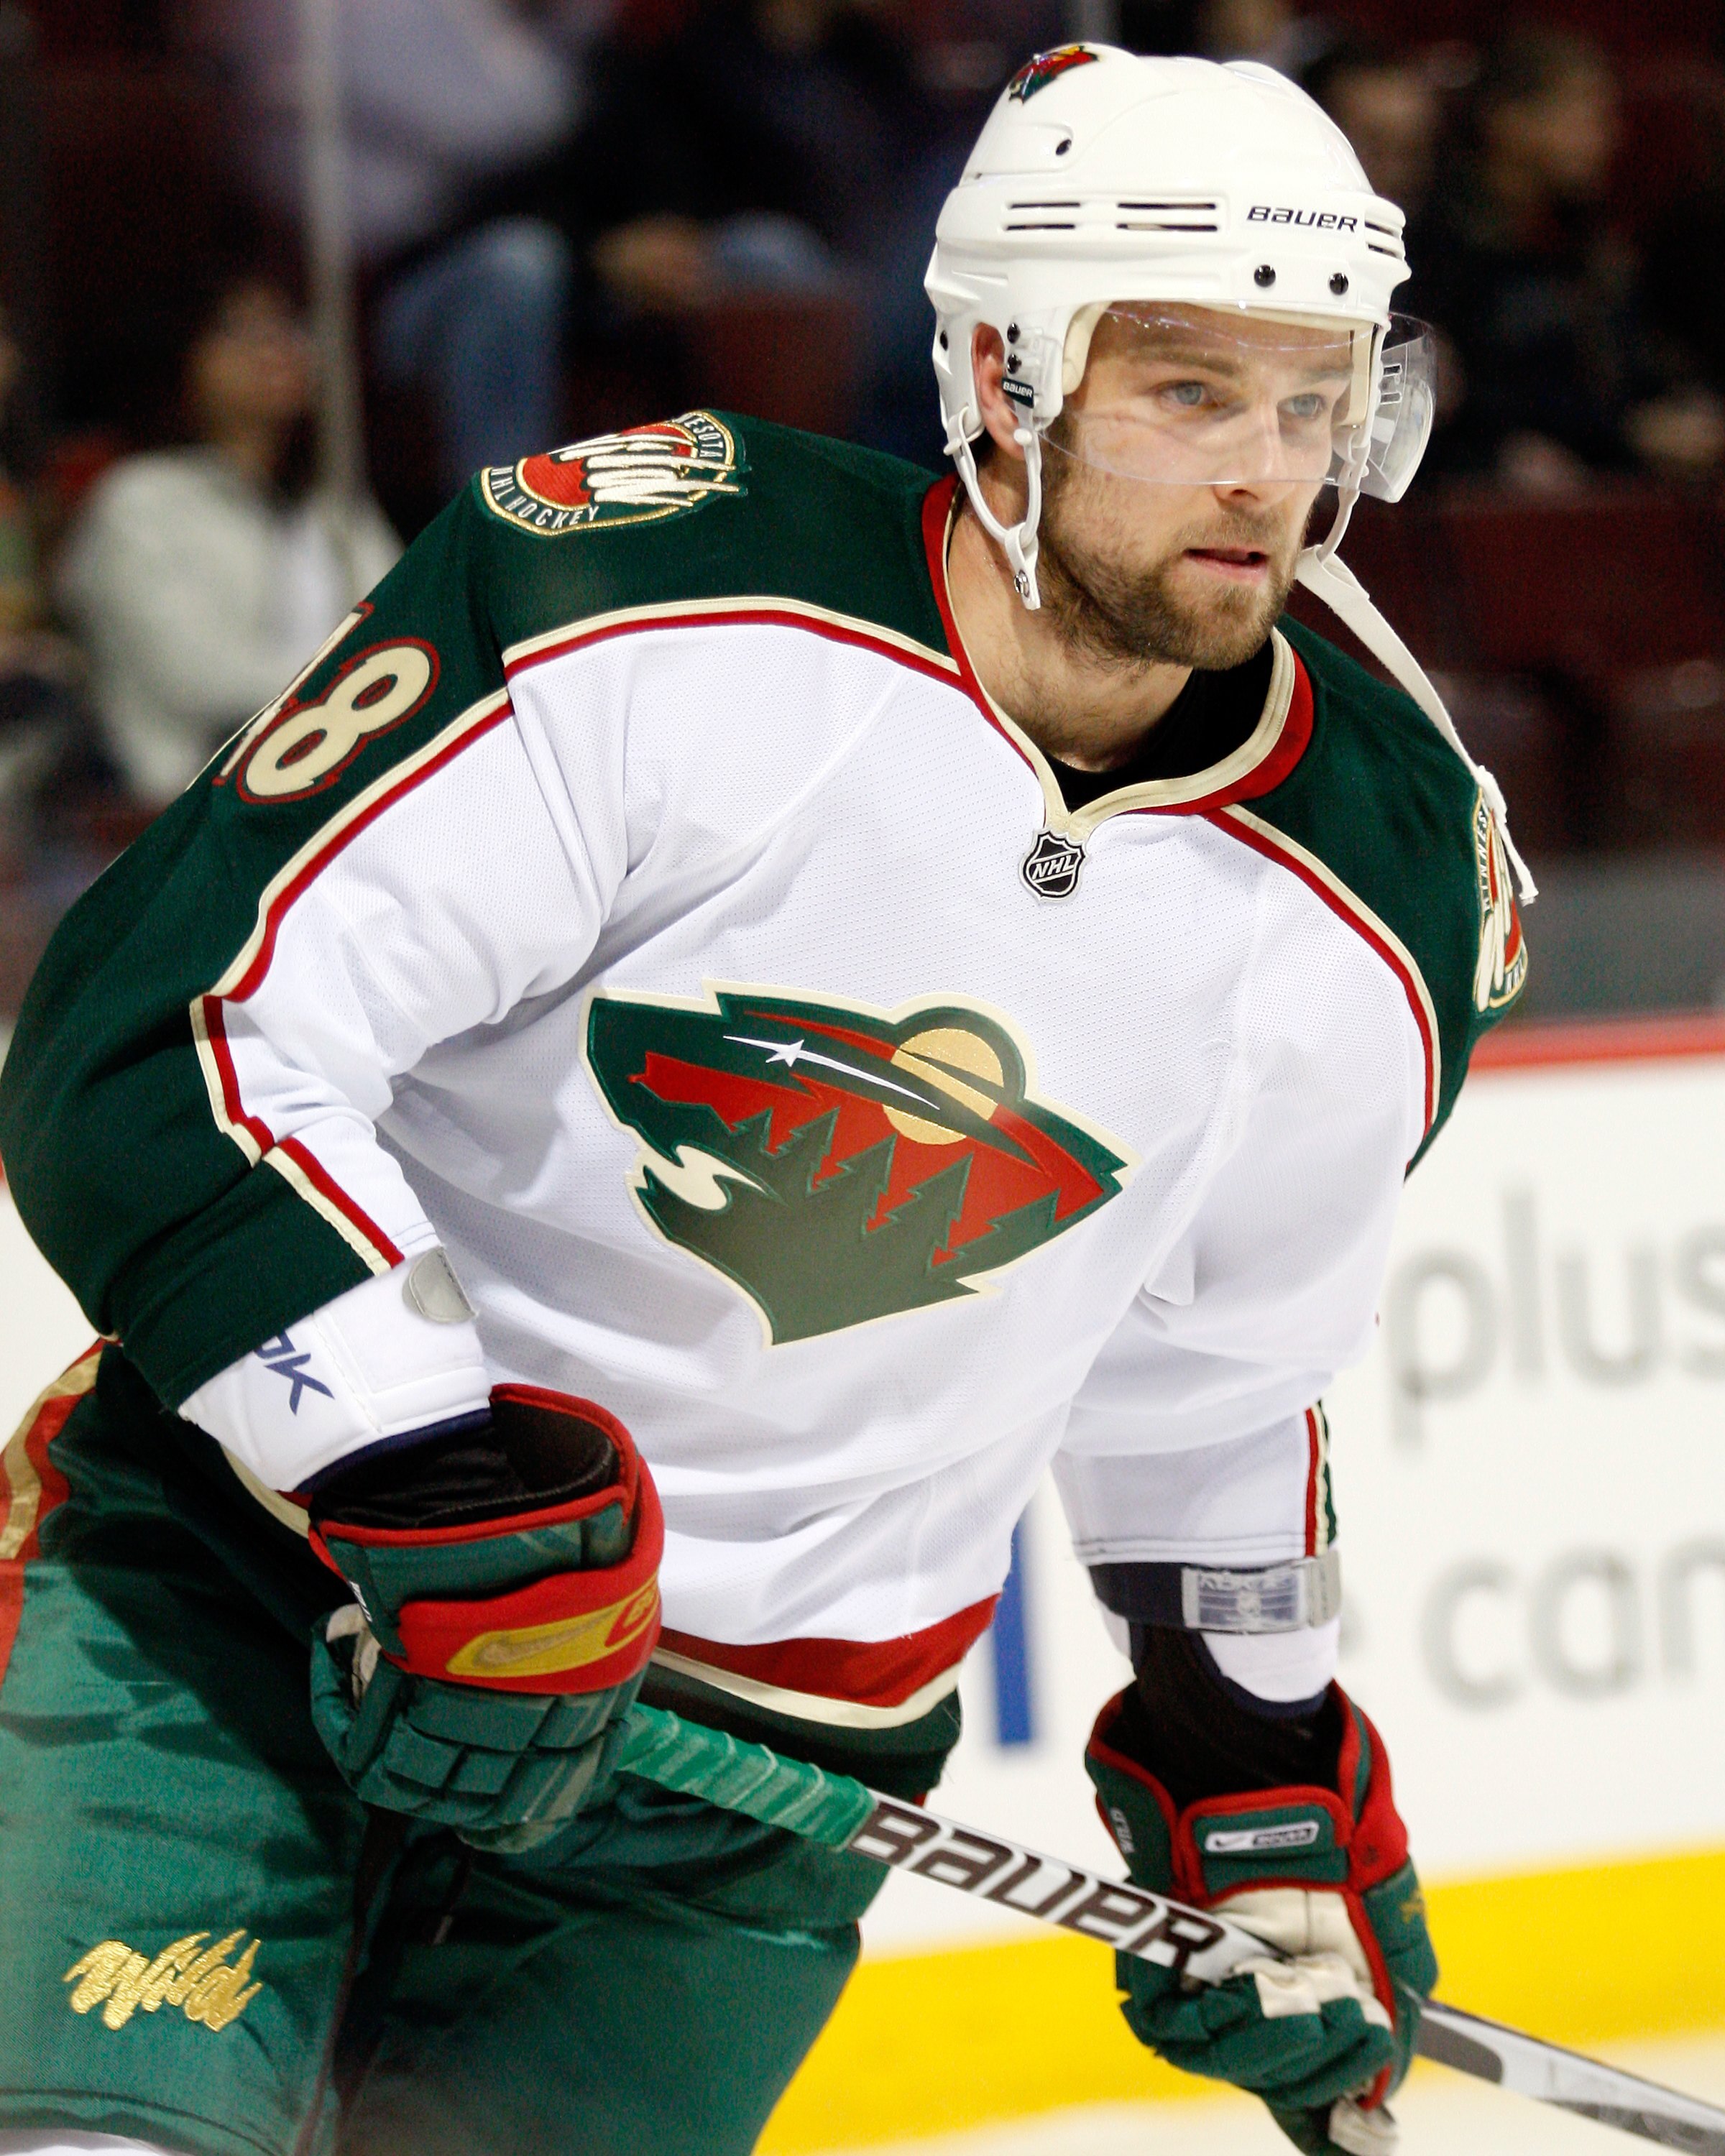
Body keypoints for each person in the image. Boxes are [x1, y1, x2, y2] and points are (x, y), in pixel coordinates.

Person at [0, 45, 1527, 2156]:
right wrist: (422, 1469)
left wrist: (1253, 1769)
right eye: (1186, 391)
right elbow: (171, 1027)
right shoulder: (653, 599)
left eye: (1308, 400)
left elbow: (1203, 1378)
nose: (1261, 474)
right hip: (255, 1600)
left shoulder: (1386, 884)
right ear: (999, 373)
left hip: (735, 1810)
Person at [55, 273, 400, 813]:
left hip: (346, 789)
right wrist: (366, 686)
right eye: (239, 329)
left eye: (286, 327)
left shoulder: (332, 502)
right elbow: (196, 678)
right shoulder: (138, 500)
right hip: (194, 813)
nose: (273, 347)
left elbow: (406, 625)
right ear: (183, 359)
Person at [1417, 28, 1725, 487]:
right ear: (1508, 120)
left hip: (1610, 475)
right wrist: (1625, 434)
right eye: (1583, 113)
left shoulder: (1589, 243)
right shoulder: (1441, 246)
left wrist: (1673, 413)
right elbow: (1459, 395)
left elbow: (1632, 369)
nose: (1608, 136)